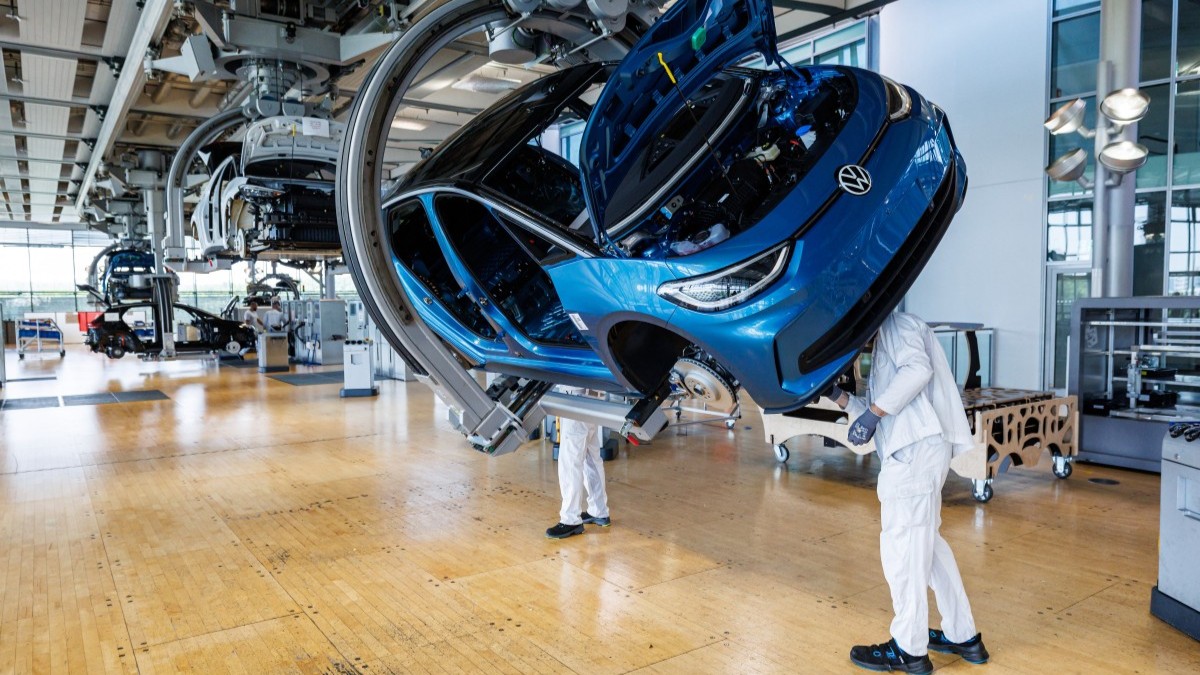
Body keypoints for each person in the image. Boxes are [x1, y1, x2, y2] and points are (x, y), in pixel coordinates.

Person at [827, 312, 988, 674]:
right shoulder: (885, 343)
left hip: (914, 457)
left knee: (903, 552)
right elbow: (877, 416)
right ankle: (964, 636)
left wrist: (874, 413)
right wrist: (839, 398)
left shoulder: (897, 326)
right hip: (918, 452)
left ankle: (909, 649)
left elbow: (916, 372)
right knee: (928, 548)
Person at [545, 388, 611, 539]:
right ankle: (599, 511)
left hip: (576, 397)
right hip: (591, 396)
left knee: (570, 460)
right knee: (591, 458)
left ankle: (570, 519)